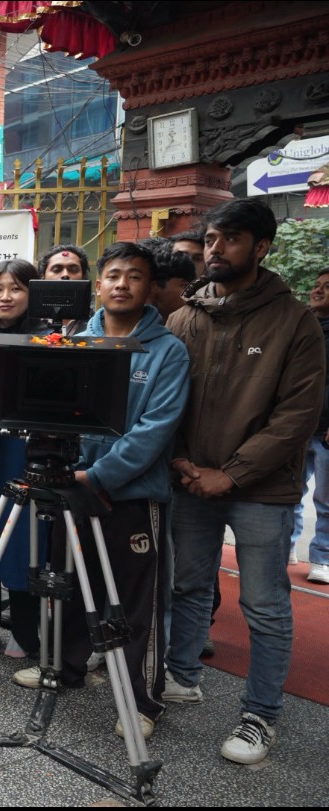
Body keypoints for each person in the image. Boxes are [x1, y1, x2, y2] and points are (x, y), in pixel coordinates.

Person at [165, 198, 325, 765]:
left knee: (264, 604)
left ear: (261, 247)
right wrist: (182, 461)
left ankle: (261, 715)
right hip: (190, 481)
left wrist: (230, 474)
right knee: (187, 586)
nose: (216, 249)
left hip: (261, 490)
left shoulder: (294, 321)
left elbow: (297, 416)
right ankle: (180, 677)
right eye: (211, 238)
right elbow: (164, 400)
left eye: (230, 239)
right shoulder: (183, 318)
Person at [12, 243, 190, 743]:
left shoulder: (168, 351)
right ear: (99, 284)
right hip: (71, 484)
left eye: (134, 276)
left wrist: (100, 476)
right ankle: (65, 668)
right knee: (68, 584)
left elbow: (155, 430)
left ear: (149, 287)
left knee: (134, 603)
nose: (122, 284)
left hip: (131, 495)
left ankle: (141, 699)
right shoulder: (73, 341)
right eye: (114, 275)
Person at [0, 259, 49, 660]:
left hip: (24, 453)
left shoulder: (48, 339)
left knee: (23, 541)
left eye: (16, 288)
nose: (6, 297)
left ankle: (24, 629)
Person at [302, 270, 329, 584]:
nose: (318, 291)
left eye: (327, 287)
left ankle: (322, 557)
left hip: (325, 432)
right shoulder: (302, 325)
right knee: (289, 495)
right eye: (317, 285)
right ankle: (286, 547)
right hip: (298, 428)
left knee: (325, 500)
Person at [38, 244, 91, 335]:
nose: (65, 274)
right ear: (43, 276)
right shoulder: (30, 322)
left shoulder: (93, 324)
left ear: (83, 276)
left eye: (73, 270)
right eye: (57, 270)